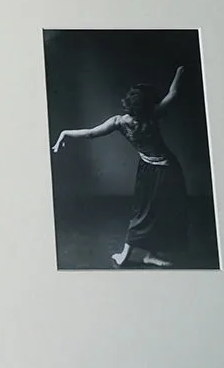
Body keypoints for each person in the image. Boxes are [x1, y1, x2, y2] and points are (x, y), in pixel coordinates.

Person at [51, 66, 187, 267]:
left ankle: (149, 254)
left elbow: (90, 133)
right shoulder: (153, 115)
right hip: (161, 169)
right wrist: (179, 73)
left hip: (156, 170)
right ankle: (126, 254)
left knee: (157, 211)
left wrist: (64, 134)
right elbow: (173, 94)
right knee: (148, 212)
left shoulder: (119, 122)